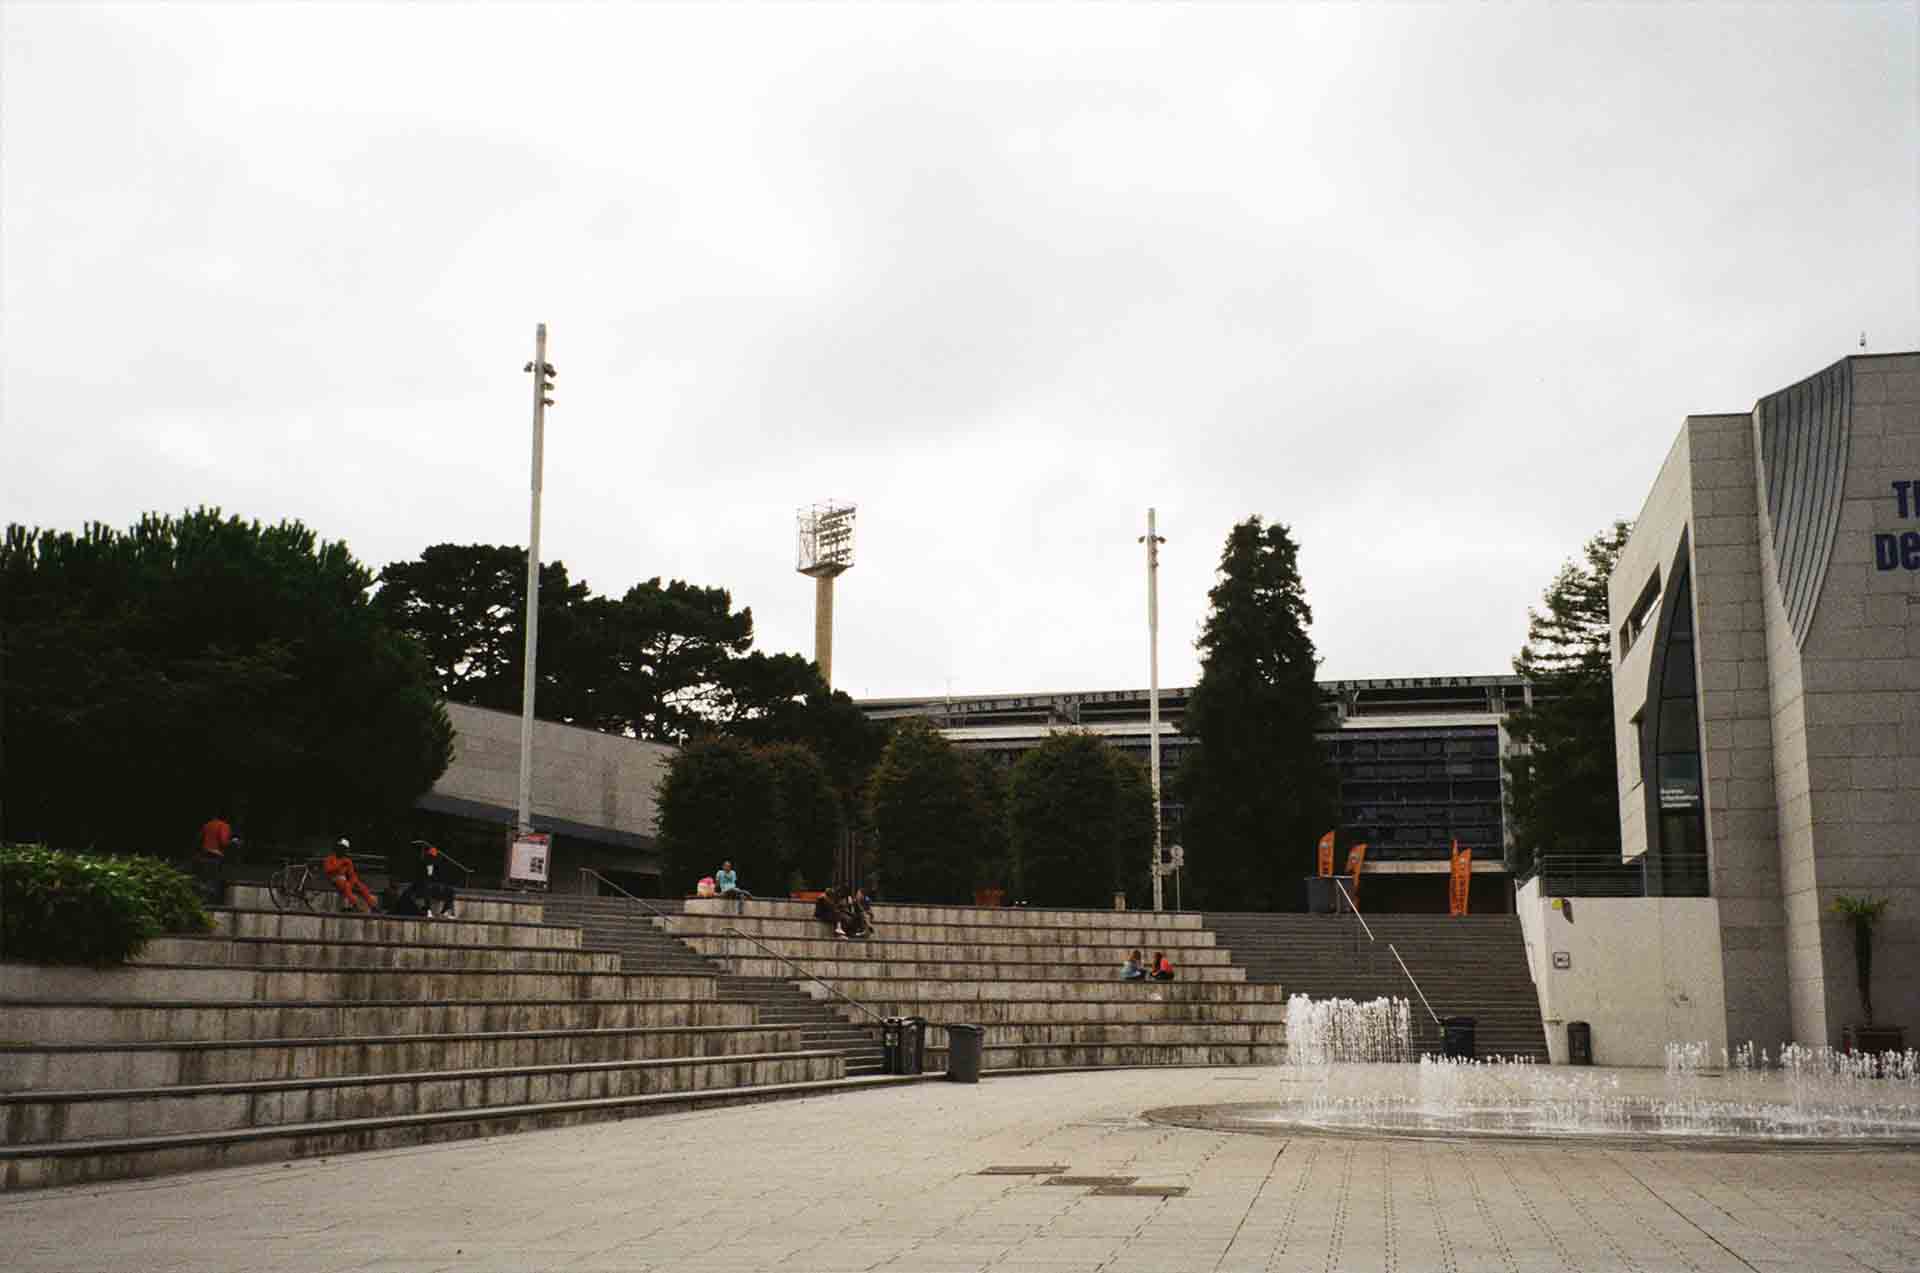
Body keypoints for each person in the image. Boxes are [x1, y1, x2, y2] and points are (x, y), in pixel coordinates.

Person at [322, 838, 377, 913]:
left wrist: (353, 882)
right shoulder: (329, 859)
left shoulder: (348, 861)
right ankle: (355, 905)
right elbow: (328, 870)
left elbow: (352, 874)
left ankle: (373, 906)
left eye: (344, 849)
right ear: (337, 848)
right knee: (346, 885)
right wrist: (340, 865)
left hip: (345, 879)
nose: (343, 850)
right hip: (334, 878)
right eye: (341, 848)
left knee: (361, 886)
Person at [192, 814, 234, 905]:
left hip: (203, 855)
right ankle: (212, 903)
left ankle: (199, 901)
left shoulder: (207, 825)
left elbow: (198, 840)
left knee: (203, 880)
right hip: (215, 856)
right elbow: (223, 841)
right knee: (214, 881)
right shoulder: (224, 825)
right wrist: (233, 842)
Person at [413, 840, 458, 919]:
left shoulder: (437, 866)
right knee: (426, 888)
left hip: (434, 886)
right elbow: (420, 877)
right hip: (423, 886)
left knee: (450, 891)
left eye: (434, 856)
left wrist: (441, 885)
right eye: (431, 855)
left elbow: (440, 878)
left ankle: (444, 911)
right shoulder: (423, 864)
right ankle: (428, 910)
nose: (432, 857)